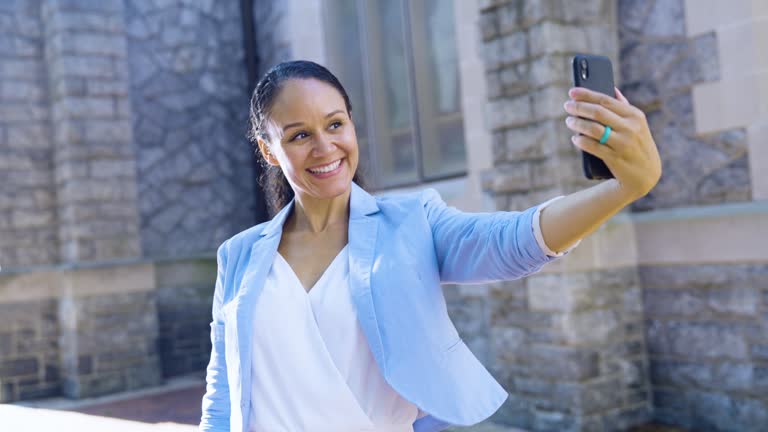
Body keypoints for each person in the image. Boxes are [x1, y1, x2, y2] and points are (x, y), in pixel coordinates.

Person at [199, 60, 662, 432]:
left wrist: (622, 190)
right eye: (299, 135)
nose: (325, 147)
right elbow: (223, 391)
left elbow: (509, 240)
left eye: (335, 124)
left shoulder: (413, 222)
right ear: (267, 149)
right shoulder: (238, 255)